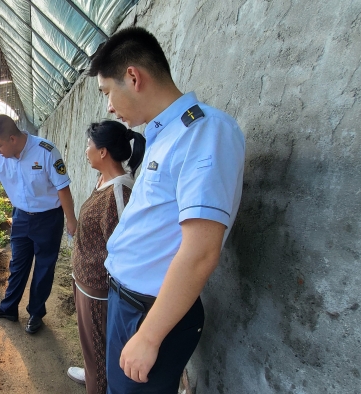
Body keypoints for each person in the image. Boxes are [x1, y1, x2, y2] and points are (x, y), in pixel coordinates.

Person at [87, 27, 246, 393]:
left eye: (107, 92)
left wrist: (149, 336)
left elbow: (201, 251)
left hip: (151, 313)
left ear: (133, 77)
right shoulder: (164, 136)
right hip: (128, 303)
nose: (109, 106)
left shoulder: (204, 132)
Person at [0, 114, 78, 334]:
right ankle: (9, 308)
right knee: (18, 265)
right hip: (21, 216)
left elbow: (63, 188)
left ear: (12, 139)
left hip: (48, 218)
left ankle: (35, 313)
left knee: (44, 267)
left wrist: (71, 220)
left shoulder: (46, 151)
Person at [67, 120, 146, 394]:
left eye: (89, 145)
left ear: (103, 152)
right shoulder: (103, 181)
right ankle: (91, 374)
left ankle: (97, 384)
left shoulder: (118, 192)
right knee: (92, 347)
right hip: (85, 283)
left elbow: (124, 248)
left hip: (98, 291)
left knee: (100, 354)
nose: (85, 150)